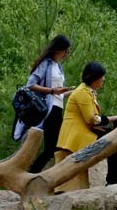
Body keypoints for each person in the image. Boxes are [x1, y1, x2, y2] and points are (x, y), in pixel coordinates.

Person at [13, 35, 74, 173]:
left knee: (56, 147)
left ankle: (35, 174)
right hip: (48, 110)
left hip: (58, 109)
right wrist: (52, 90)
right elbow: (30, 85)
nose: (66, 54)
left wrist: (73, 92)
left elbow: (58, 94)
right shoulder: (45, 63)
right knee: (51, 148)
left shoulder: (58, 66)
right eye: (65, 51)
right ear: (58, 49)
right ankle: (32, 174)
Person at [55, 62, 117, 168]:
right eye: (101, 76)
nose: (103, 79)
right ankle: (112, 181)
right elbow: (91, 119)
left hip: (83, 132)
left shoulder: (88, 91)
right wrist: (112, 118)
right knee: (115, 143)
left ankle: (112, 179)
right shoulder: (82, 92)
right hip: (77, 136)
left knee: (116, 140)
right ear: (95, 77)